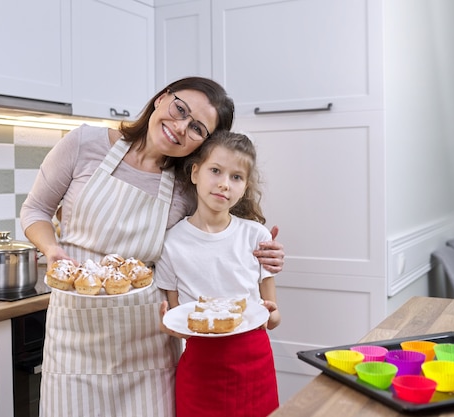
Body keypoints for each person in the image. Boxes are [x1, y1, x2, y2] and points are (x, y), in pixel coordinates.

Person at [20, 77, 285, 416]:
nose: (180, 127)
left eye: (197, 128)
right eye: (180, 109)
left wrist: (267, 253)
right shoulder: (85, 143)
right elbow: (35, 210)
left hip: (148, 344)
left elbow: (226, 232)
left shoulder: (187, 184)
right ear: (161, 98)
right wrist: (51, 249)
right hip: (75, 339)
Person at [157, 131, 281, 417]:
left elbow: (274, 319)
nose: (225, 184)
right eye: (216, 171)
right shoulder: (171, 243)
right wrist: (168, 325)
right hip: (201, 371)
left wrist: (270, 312)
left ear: (245, 186)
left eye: (236, 177)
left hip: (255, 366)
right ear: (195, 173)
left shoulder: (256, 236)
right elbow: (179, 322)